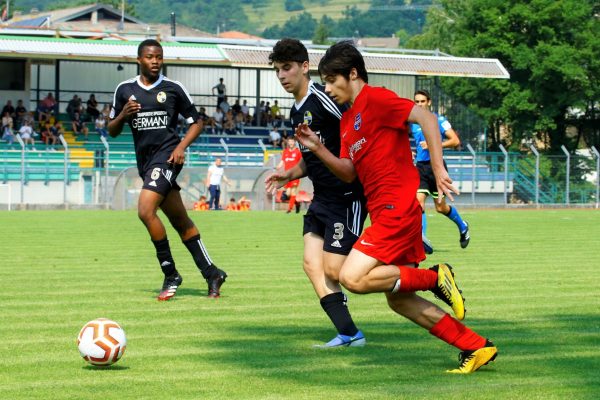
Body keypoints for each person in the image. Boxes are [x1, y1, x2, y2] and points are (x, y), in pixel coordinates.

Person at [294, 41, 497, 372]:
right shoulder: (347, 122)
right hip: (384, 210)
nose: (328, 88)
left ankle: (434, 278)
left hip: (398, 207)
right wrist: (317, 147)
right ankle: (475, 346)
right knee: (399, 300)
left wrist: (439, 167)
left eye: (332, 80)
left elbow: (427, 118)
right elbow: (348, 172)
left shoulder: (378, 98)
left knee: (353, 277)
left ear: (353, 74)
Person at [265, 38, 368, 348]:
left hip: (346, 197)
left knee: (336, 269)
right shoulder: (296, 112)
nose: (282, 76)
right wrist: (289, 174)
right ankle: (350, 334)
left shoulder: (323, 99)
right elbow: (314, 159)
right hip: (321, 198)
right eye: (277, 70)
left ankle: (410, 271)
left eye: (287, 68)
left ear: (304, 67)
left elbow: (356, 127)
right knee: (312, 264)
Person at [108, 39, 227, 300]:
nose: (155, 61)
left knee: (145, 210)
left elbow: (197, 122)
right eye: (150, 57)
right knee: (180, 221)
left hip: (167, 159)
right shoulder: (124, 89)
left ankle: (170, 273)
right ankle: (212, 273)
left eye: (159, 57)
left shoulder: (173, 88)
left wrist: (181, 146)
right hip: (146, 163)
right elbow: (111, 130)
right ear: (139, 59)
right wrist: (123, 115)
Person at [412, 90, 469, 254]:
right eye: (416, 101)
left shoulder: (439, 120)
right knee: (418, 201)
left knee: (440, 207)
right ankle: (421, 238)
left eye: (422, 101)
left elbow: (455, 140)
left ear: (428, 102)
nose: (419, 104)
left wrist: (434, 145)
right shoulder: (413, 122)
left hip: (437, 167)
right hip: (421, 167)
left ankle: (462, 225)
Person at [277, 136, 302, 214]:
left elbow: (301, 163)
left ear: (294, 142)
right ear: (288, 142)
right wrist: (278, 166)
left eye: (292, 141)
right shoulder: (285, 151)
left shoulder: (298, 152)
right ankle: (297, 204)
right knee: (288, 194)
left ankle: (289, 209)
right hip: (287, 176)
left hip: (295, 175)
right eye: (289, 141)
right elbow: (282, 161)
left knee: (293, 192)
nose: (291, 143)